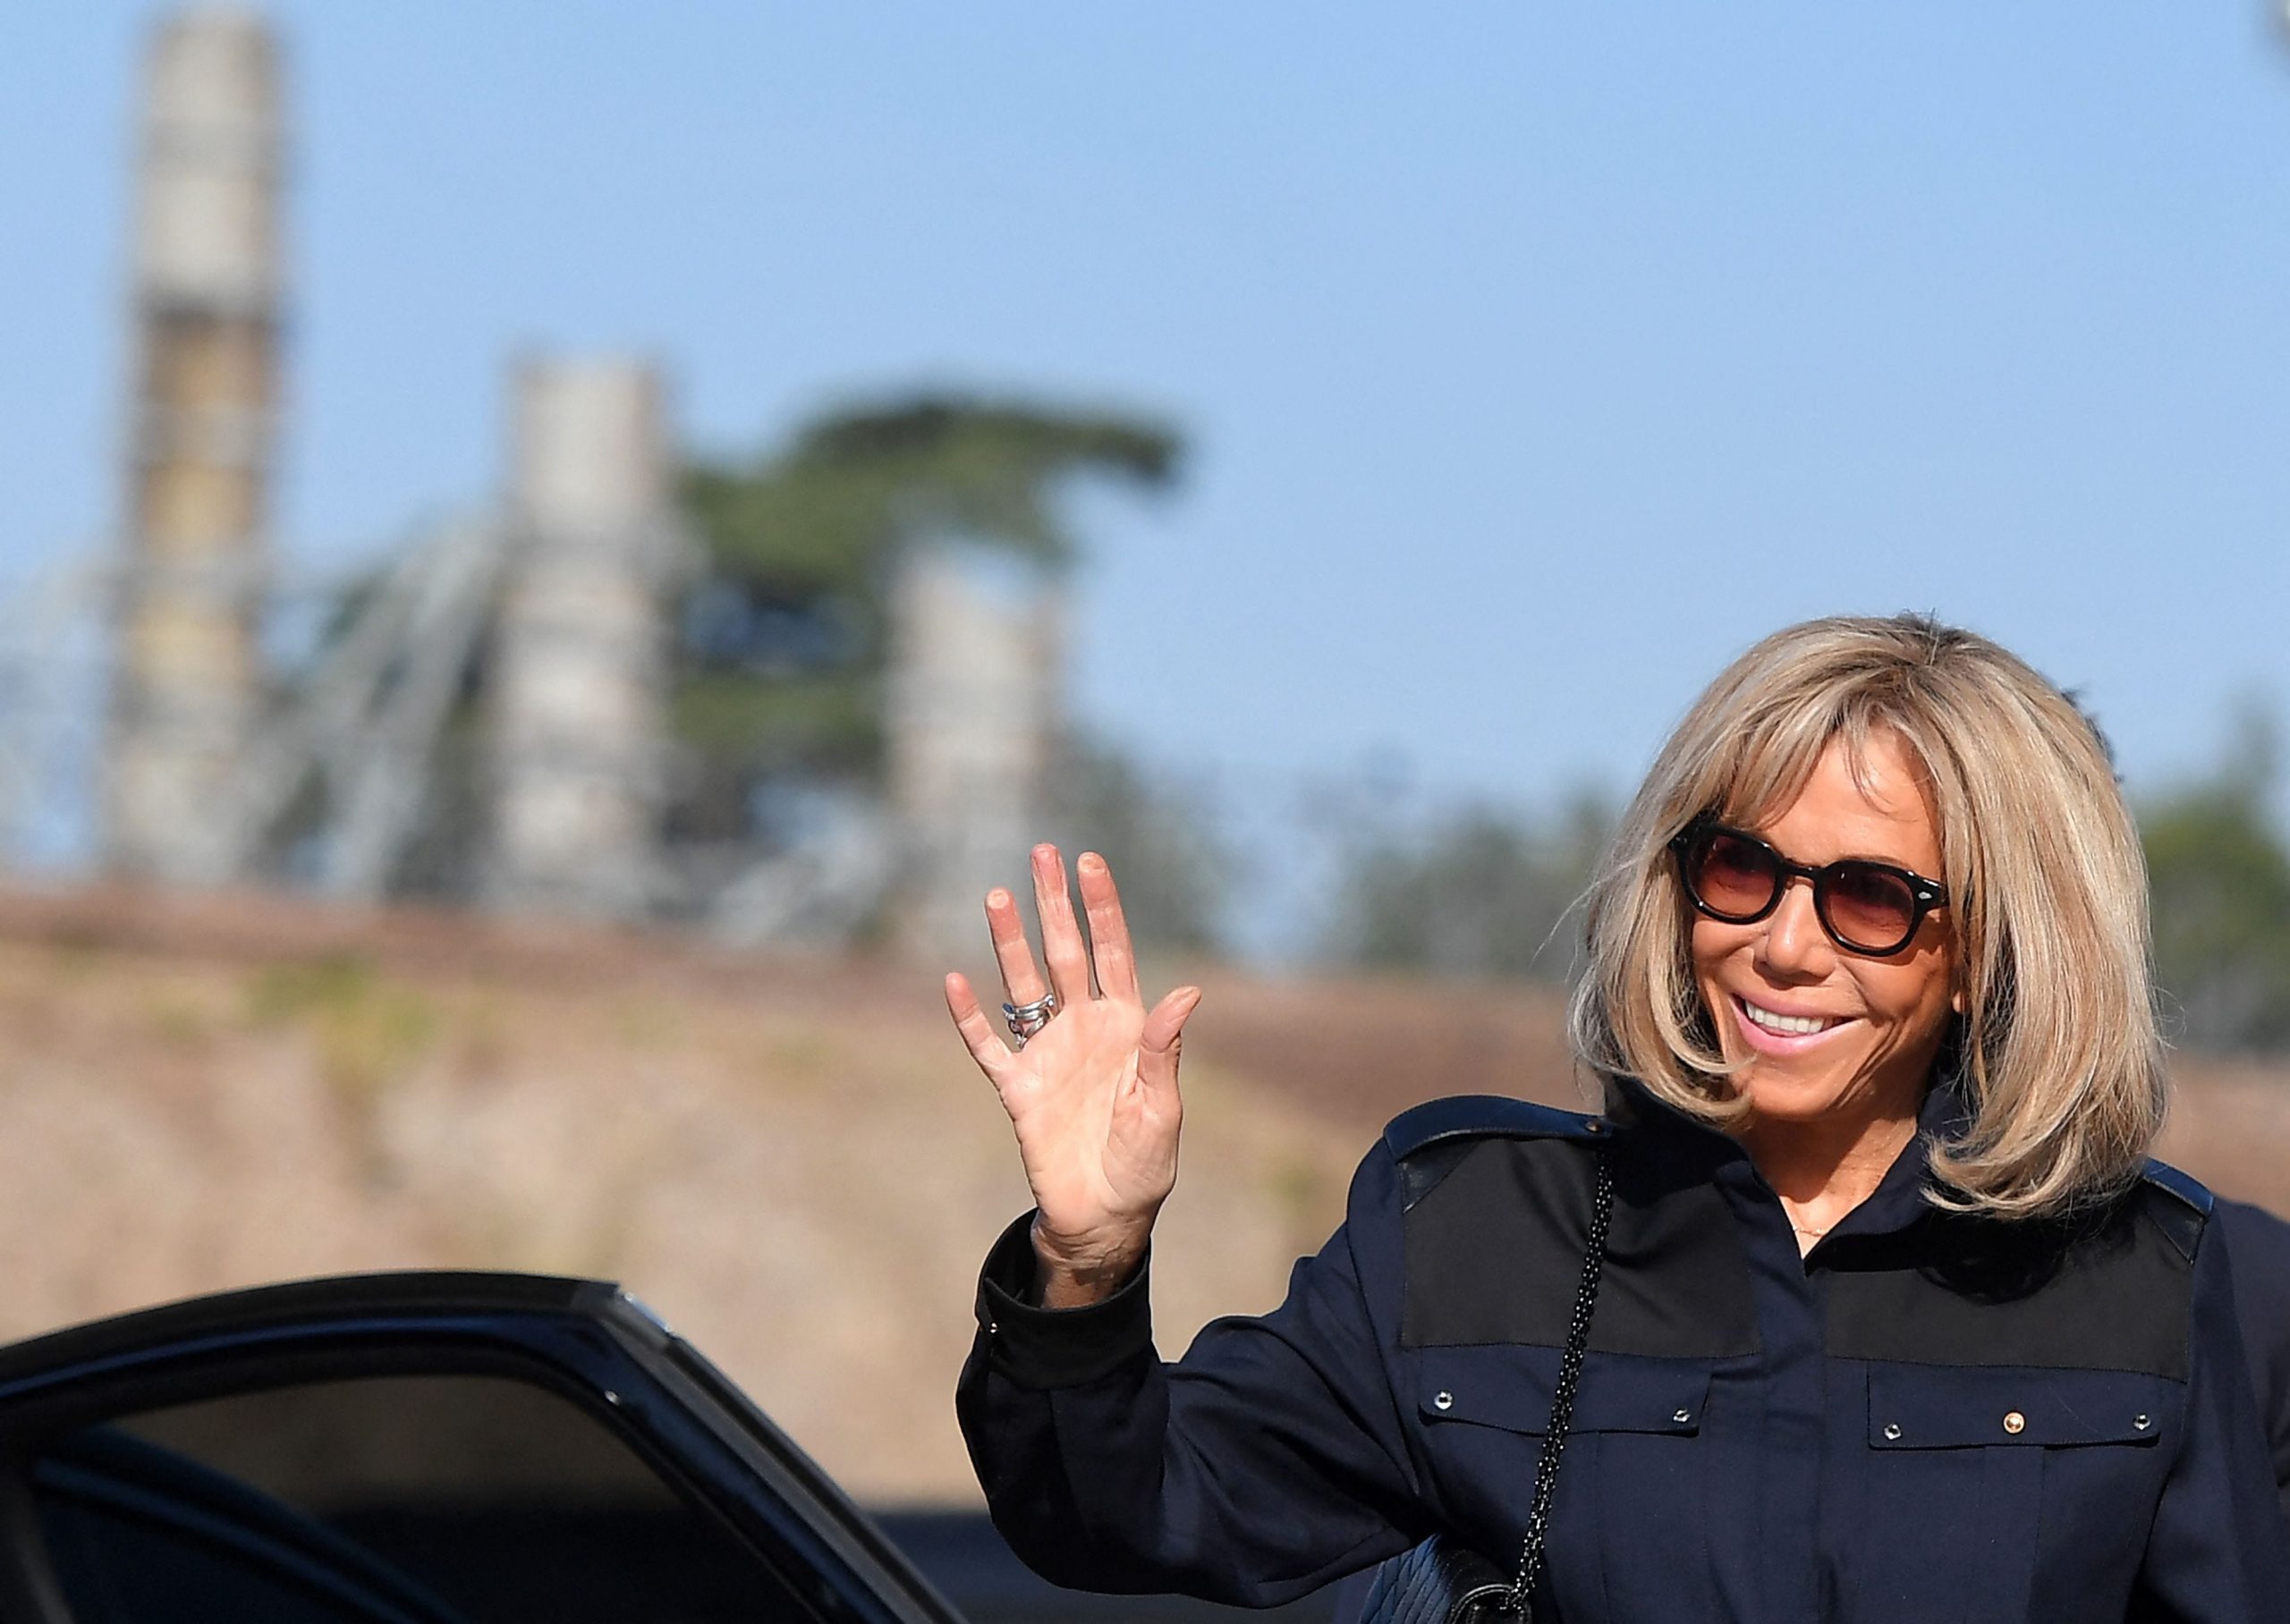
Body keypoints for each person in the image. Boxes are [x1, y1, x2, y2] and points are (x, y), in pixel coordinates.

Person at [947, 613, 2290, 1622]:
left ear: (1998, 942)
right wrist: (1087, 1260)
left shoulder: (2169, 1285)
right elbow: (1127, 1511)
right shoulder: (1469, 1228)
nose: (1785, 944)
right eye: (1743, 869)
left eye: (1872, 898)